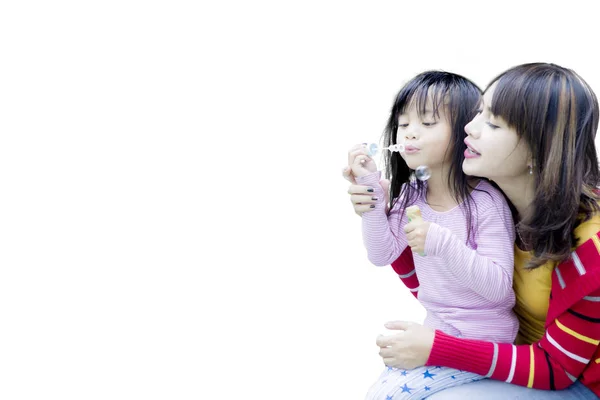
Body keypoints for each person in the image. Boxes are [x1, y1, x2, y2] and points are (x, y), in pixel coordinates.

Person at [344, 63, 600, 399]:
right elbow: (435, 282)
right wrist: (377, 208)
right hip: (515, 357)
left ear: (541, 148)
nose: (470, 128)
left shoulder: (590, 249)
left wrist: (438, 348)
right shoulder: (496, 201)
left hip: (580, 381)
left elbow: (557, 369)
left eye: (492, 122)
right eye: (479, 112)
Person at [349, 71, 519, 400]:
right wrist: (371, 191)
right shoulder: (412, 194)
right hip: (438, 329)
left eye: (428, 124)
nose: (410, 132)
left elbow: (499, 289)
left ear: (465, 132)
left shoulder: (485, 203)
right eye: (403, 123)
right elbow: (381, 253)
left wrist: (441, 243)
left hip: (484, 339)